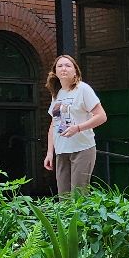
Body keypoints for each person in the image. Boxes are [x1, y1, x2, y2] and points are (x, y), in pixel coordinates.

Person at [43, 54, 106, 196]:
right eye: (59, 66)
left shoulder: (83, 89)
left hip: (82, 149)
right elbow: (54, 124)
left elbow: (101, 116)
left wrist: (78, 128)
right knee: (64, 197)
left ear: (75, 71)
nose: (63, 68)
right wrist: (49, 152)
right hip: (61, 151)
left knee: (79, 195)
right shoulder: (57, 94)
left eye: (68, 65)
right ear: (55, 72)